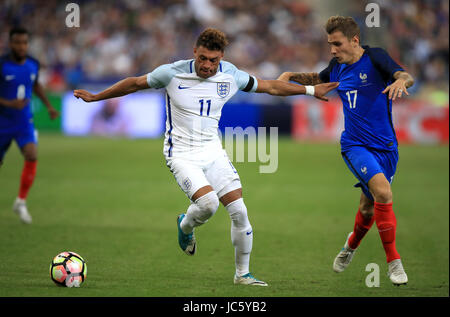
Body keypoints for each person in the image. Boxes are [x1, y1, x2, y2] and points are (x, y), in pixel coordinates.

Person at [74, 28, 338, 286]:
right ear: (194, 53)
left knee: (239, 211)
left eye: (213, 60)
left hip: (213, 151)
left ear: (221, 57)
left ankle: (242, 275)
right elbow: (133, 83)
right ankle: (186, 226)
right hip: (181, 154)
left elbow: (270, 87)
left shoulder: (230, 75)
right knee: (209, 205)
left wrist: (311, 91)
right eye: (203, 58)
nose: (208, 65)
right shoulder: (171, 73)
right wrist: (97, 96)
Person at [278, 16, 414, 285]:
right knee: (384, 193)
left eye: (337, 44)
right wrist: (291, 76)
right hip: (355, 145)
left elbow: (404, 75)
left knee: (367, 208)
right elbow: (318, 78)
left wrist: (402, 82)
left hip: (387, 148)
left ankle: (349, 247)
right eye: (330, 44)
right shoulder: (337, 67)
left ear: (354, 40)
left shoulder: (375, 58)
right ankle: (394, 263)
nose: (332, 50)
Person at [0, 27, 59, 224]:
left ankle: (21, 201)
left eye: (25, 43)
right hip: (2, 122)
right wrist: (9, 104)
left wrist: (49, 106)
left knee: (32, 154)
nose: (22, 46)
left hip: (24, 121)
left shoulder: (33, 63)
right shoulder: (2, 64)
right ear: (11, 44)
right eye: (17, 43)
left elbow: (36, 85)